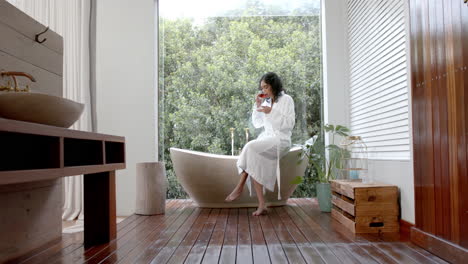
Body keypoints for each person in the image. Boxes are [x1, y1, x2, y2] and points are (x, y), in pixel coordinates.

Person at [225, 72, 295, 216]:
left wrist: (271, 112)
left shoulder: (287, 99)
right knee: (253, 158)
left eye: (266, 87)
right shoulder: (266, 100)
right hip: (267, 138)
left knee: (250, 147)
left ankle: (239, 186)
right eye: (262, 88)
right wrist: (256, 107)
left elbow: (289, 124)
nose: (263, 90)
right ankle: (262, 204)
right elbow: (257, 124)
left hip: (281, 140)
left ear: (273, 85)